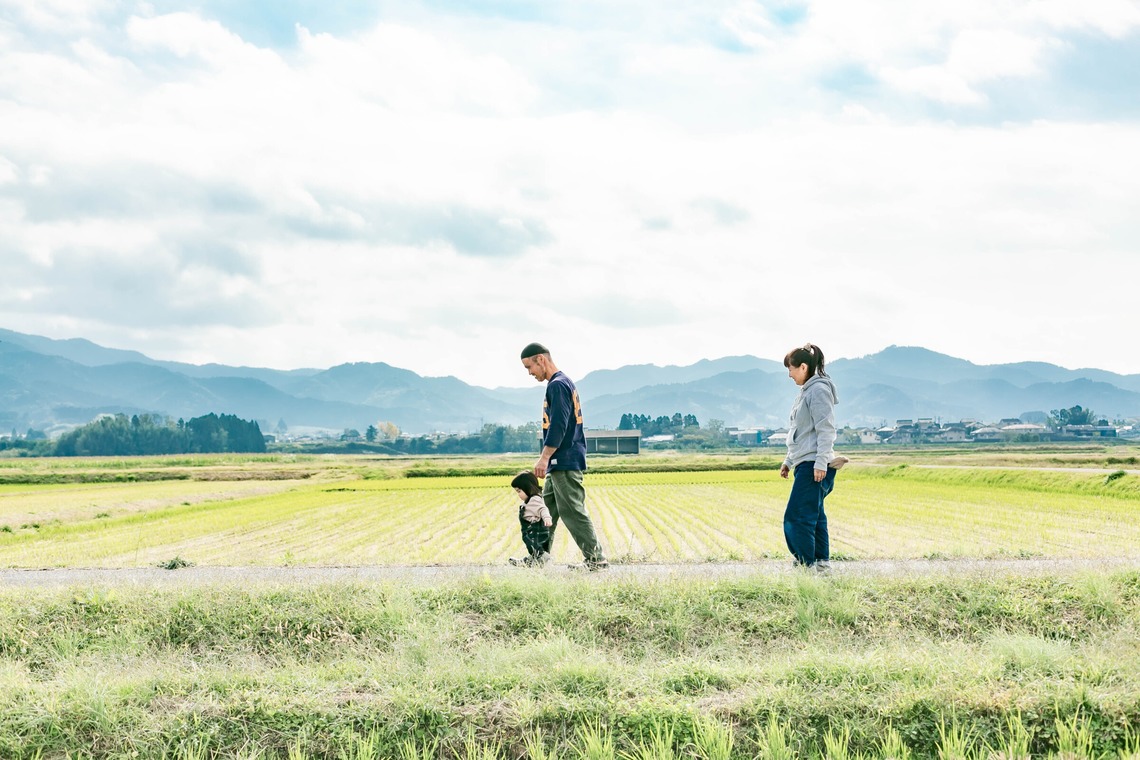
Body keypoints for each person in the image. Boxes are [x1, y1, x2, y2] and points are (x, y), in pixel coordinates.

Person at [520, 342, 608, 570]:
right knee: (544, 507)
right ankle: (539, 556)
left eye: (529, 367)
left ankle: (596, 560)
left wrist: (544, 457)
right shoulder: (562, 383)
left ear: (541, 359)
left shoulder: (557, 385)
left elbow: (559, 425)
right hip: (561, 460)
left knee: (573, 511)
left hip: (564, 459)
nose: (529, 373)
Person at [779, 343, 849, 572]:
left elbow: (825, 428)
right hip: (805, 463)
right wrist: (789, 461)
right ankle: (821, 565)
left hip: (813, 465)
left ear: (803, 366)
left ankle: (804, 564)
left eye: (791, 369)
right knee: (814, 516)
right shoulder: (806, 392)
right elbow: (801, 432)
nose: (789, 374)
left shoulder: (818, 390)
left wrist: (820, 462)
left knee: (796, 517)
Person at [508, 471, 553, 567]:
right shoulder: (530, 500)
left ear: (528, 488)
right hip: (532, 529)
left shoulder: (534, 499)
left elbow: (542, 509)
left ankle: (545, 559)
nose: (518, 494)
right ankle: (530, 560)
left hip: (535, 530)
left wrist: (547, 518)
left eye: (519, 491)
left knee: (534, 547)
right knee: (533, 548)